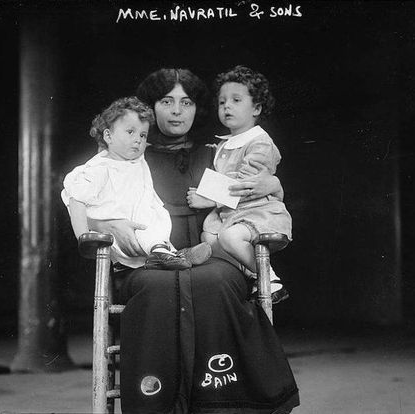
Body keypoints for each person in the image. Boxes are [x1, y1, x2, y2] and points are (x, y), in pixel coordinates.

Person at [84, 68, 299, 413]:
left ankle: (226, 404)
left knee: (215, 281)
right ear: (151, 108)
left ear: (198, 109)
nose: (176, 111)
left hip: (214, 255)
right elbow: (87, 194)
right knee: (155, 288)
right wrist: (107, 222)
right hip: (149, 258)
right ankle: (157, 402)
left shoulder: (217, 152)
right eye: (166, 101)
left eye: (186, 102)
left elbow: (259, 188)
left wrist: (274, 186)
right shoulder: (130, 154)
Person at [61, 96, 211, 270]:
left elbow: (143, 145)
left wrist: (137, 138)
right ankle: (166, 254)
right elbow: (76, 200)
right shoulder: (99, 168)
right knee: (147, 230)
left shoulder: (135, 159)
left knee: (156, 221)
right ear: (108, 136)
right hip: (116, 234)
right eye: (130, 132)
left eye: (142, 135)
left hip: (139, 226)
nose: (138, 139)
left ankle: (171, 254)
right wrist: (83, 237)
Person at [189, 65, 292, 304]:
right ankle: (248, 273)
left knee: (229, 238)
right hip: (233, 212)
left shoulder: (260, 142)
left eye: (236, 100)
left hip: (257, 210)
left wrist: (208, 198)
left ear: (256, 108)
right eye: (222, 102)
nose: (227, 106)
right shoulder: (227, 143)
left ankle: (269, 278)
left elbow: (246, 183)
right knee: (209, 237)